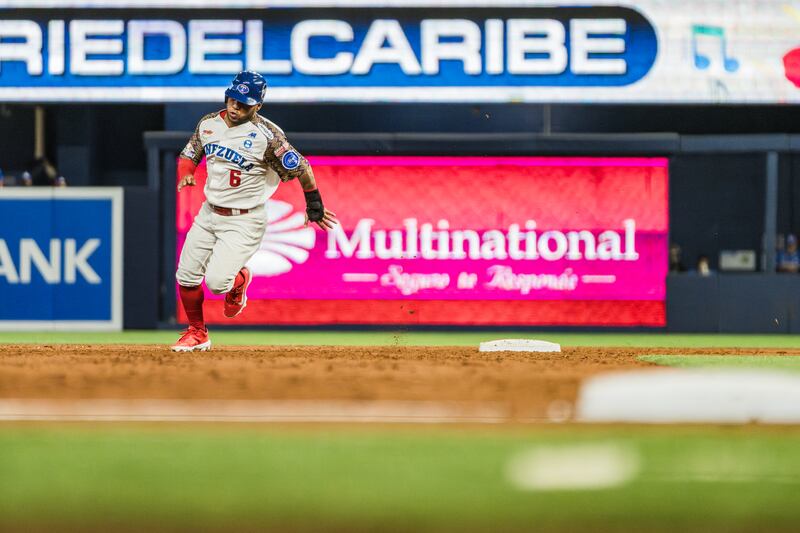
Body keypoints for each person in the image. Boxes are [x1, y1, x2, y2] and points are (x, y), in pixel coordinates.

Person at [172, 70, 338, 352]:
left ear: (258, 106)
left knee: (216, 283)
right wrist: (186, 172)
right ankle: (197, 333)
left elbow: (302, 168)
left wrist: (314, 204)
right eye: (233, 100)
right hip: (209, 212)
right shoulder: (209, 123)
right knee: (186, 276)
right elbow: (190, 153)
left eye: (245, 104)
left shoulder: (268, 137)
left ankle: (240, 279)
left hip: (245, 218)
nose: (236, 108)